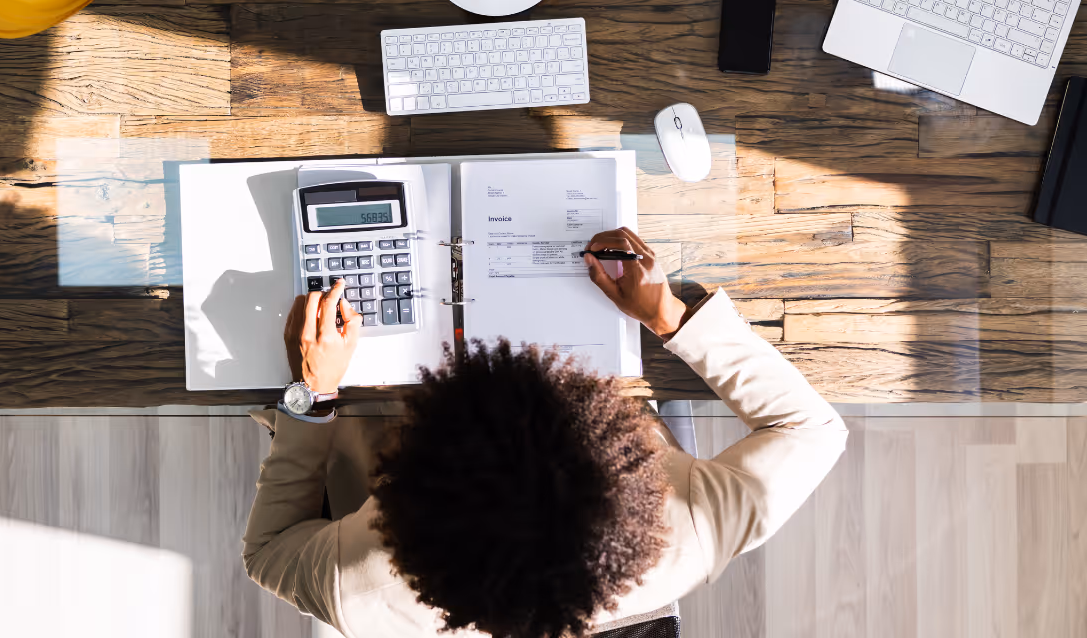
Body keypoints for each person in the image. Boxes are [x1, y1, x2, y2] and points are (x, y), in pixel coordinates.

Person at [243, 227, 848, 638]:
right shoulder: (689, 526)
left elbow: (269, 549)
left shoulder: (364, 585)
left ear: (400, 504)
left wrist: (311, 395)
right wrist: (670, 317)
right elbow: (813, 430)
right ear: (638, 476)